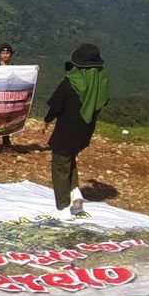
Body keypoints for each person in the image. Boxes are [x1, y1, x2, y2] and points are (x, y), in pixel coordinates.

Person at [42, 44, 109, 219]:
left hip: (66, 130)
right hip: (85, 131)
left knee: (60, 165)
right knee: (69, 158)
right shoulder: (101, 82)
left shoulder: (70, 83)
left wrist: (46, 121)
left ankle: (63, 206)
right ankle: (75, 192)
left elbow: (56, 106)